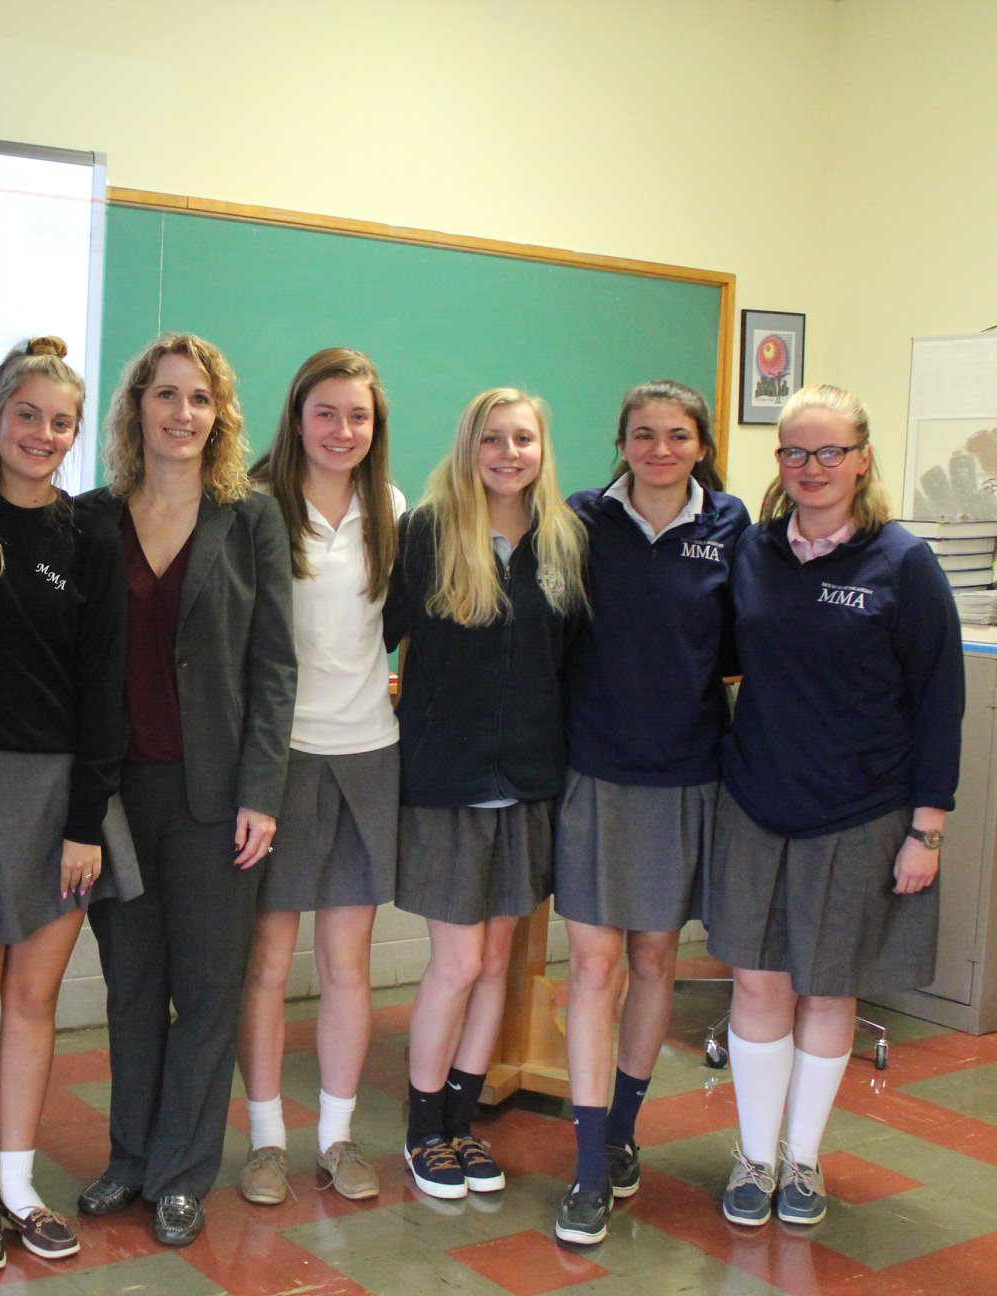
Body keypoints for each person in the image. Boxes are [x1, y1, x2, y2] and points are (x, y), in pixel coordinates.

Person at [709, 384, 961, 1228]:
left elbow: (940, 702)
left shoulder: (903, 563)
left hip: (860, 810)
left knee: (827, 989)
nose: (810, 467)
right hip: (756, 800)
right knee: (757, 982)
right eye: (794, 452)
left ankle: (803, 1162)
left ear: (861, 459)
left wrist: (927, 829)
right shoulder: (752, 551)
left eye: (829, 452)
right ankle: (754, 1157)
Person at [75, 333, 296, 1248]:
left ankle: (180, 1173)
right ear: (137, 408)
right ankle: (129, 1157)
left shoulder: (251, 519)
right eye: (165, 395)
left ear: (220, 414)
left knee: (207, 990)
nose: (182, 412)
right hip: (118, 799)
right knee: (132, 985)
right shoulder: (92, 518)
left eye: (199, 398)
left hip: (217, 800)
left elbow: (274, 666)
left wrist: (262, 792)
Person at [0, 336, 133, 1272]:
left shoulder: (90, 534)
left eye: (61, 422)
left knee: (33, 998)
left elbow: (105, 686)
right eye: (28, 415)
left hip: (61, 800)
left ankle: (18, 1186)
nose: (43, 434)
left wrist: (87, 822)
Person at [550, 380, 750, 1245]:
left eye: (677, 435)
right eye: (643, 434)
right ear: (621, 442)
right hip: (594, 771)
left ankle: (623, 1132)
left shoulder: (731, 526)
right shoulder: (581, 519)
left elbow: (741, 647)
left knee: (655, 955)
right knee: (594, 968)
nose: (659, 449)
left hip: (685, 774)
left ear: (701, 445)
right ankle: (588, 1166)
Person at [384, 387, 588, 1201]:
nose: (509, 454)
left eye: (523, 439)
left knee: (497, 960)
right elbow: (378, 634)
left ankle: (461, 1124)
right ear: (469, 448)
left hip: (529, 784)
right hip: (447, 783)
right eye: (493, 439)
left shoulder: (565, 540)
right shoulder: (428, 534)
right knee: (460, 961)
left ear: (542, 449)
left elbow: (569, 664)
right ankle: (422, 1128)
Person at [236, 348, 402, 1206]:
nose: (343, 430)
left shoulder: (392, 509)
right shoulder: (255, 504)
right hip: (281, 758)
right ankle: (267, 1142)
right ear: (297, 417)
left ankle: (337, 1138)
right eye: (326, 413)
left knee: (347, 962)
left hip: (368, 754)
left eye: (358, 416)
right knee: (267, 962)